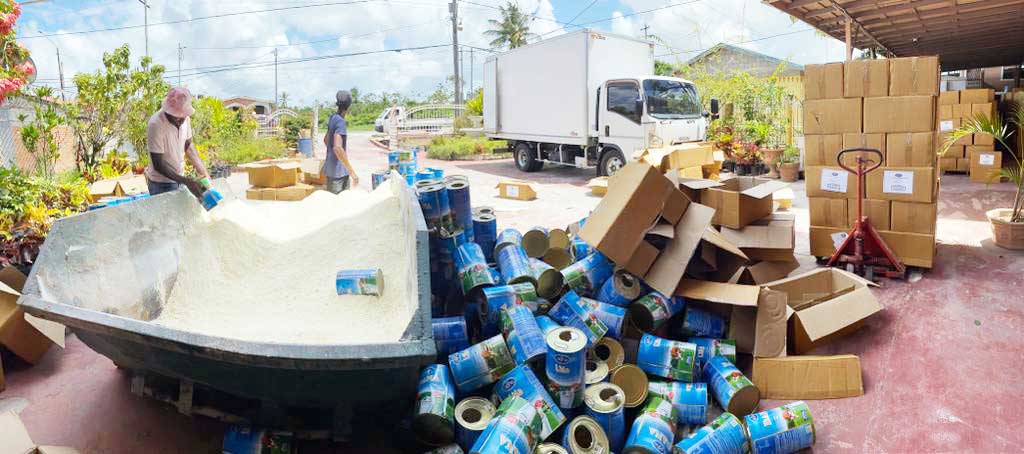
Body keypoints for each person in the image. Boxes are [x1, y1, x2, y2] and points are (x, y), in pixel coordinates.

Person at [144, 86, 209, 198]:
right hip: (161, 183)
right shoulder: (156, 124)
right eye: (175, 116)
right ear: (167, 110)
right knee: (168, 215)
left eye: (182, 116)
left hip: (179, 177)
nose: (179, 119)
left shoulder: (185, 119)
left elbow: (188, 145)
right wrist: (187, 182)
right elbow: (158, 164)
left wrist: (203, 172)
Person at [322, 90, 358, 193]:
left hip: (331, 171)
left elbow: (326, 140)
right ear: (349, 106)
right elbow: (337, 148)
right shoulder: (341, 122)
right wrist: (352, 173)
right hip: (339, 175)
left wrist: (332, 157)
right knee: (341, 206)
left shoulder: (333, 118)